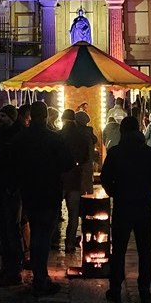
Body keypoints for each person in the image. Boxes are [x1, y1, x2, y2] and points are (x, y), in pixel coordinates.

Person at [13, 101, 73, 296]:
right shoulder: (54, 139)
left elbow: (13, 163)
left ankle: (38, 273)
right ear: (46, 116)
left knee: (36, 231)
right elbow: (67, 164)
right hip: (49, 192)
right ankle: (40, 277)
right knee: (43, 235)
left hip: (29, 192)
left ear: (31, 116)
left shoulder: (21, 138)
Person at [100, 115, 151, 303]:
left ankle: (116, 289)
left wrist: (114, 191)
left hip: (123, 204)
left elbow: (105, 177)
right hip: (142, 204)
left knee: (118, 249)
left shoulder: (116, 152)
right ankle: (144, 290)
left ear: (122, 131)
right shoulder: (149, 152)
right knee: (145, 250)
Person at [0, 105, 25, 287]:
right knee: (2, 229)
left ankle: (14, 270)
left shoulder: (18, 137)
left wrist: (14, 184)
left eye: (4, 116)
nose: (0, 119)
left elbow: (19, 164)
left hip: (11, 189)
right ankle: (5, 267)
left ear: (12, 118)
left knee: (11, 229)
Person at [57, 108, 95, 252]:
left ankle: (53, 241)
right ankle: (70, 243)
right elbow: (87, 157)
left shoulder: (58, 135)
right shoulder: (82, 136)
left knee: (55, 212)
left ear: (62, 119)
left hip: (59, 180)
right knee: (74, 214)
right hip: (75, 179)